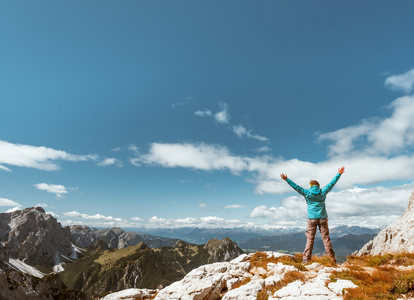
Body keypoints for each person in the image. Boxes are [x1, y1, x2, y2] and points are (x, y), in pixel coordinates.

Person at [280, 166, 345, 264]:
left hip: (311, 219)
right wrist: (339, 173)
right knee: (326, 239)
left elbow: (296, 187)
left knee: (310, 239)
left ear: (310, 185)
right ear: (318, 186)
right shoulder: (323, 192)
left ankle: (306, 260)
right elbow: (332, 183)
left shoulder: (307, 193)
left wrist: (287, 179)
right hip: (323, 218)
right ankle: (332, 260)